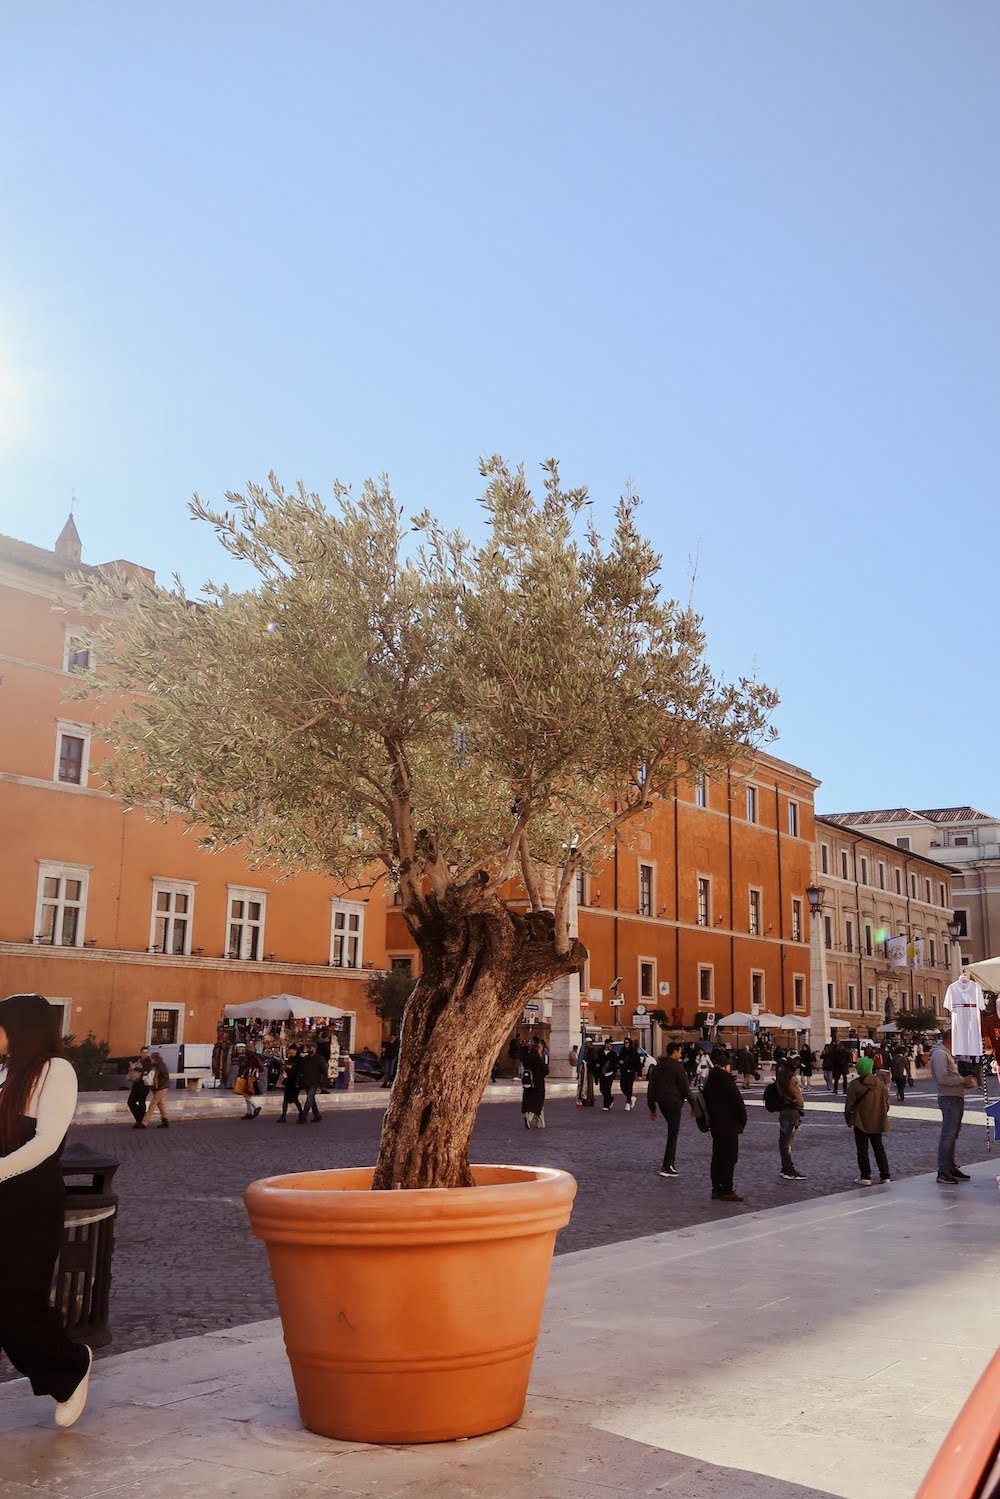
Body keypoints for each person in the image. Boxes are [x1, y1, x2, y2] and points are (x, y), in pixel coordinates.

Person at [0, 993, 94, 1427]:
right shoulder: (3, 1072)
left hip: (28, 1201)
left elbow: (46, 1143)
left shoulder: (57, 1071)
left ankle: (70, 1367)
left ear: (21, 1029)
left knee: (18, 1309)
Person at [702, 1047, 747, 1202]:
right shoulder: (727, 1081)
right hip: (729, 1126)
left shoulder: (710, 1081)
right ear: (726, 1066)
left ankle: (716, 1188)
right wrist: (742, 1121)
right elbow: (738, 1103)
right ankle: (726, 1189)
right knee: (729, 1158)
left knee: (717, 1157)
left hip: (716, 1125)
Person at [930, 1028, 975, 1184]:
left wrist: (963, 1083)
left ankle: (950, 1167)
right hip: (948, 1098)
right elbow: (942, 1078)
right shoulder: (940, 1054)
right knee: (948, 1135)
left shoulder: (947, 1054)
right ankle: (943, 1171)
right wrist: (963, 1081)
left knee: (953, 1134)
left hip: (955, 1097)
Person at [646, 1041, 695, 1176]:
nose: (680, 1054)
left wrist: (652, 1108)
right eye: (679, 1051)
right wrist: (694, 1105)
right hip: (673, 1102)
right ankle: (667, 1165)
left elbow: (651, 1087)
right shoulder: (677, 1067)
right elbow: (685, 1088)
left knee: (672, 1131)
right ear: (674, 1052)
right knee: (673, 1134)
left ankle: (668, 1164)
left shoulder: (658, 1066)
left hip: (662, 1103)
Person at [844, 1056, 891, 1186]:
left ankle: (865, 1176)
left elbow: (849, 1105)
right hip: (876, 1120)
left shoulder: (855, 1085)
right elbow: (886, 1104)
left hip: (860, 1121)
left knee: (862, 1149)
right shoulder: (880, 1084)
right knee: (879, 1148)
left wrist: (848, 1119)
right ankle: (885, 1175)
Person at [775, 1054, 806, 1181]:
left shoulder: (782, 1073)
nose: (797, 1063)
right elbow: (794, 1093)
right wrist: (798, 1104)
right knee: (786, 1141)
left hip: (787, 1109)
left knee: (785, 1140)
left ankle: (785, 1167)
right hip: (791, 1110)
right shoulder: (789, 1076)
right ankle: (788, 1169)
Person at [520, 1038, 548, 1129]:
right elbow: (545, 1071)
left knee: (530, 1101)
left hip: (528, 1083)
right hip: (538, 1084)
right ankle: (529, 1117)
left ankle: (541, 1123)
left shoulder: (527, 1057)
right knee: (537, 1102)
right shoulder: (537, 1058)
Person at [276, 1044, 304, 1122]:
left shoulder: (300, 1060)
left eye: (291, 1052)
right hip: (288, 1081)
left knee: (295, 1099)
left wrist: (291, 1067)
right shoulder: (291, 1059)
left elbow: (299, 1070)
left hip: (295, 1082)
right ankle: (283, 1116)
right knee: (285, 1100)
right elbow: (286, 1066)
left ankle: (301, 1114)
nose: (290, 1054)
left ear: (295, 1050)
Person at [125, 1045, 151, 1128]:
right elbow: (133, 1068)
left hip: (144, 1085)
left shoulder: (149, 1061)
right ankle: (140, 1118)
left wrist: (135, 1068)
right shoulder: (139, 1061)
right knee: (131, 1102)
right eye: (143, 1052)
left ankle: (140, 1121)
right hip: (136, 1084)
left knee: (141, 1103)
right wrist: (131, 1068)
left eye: (146, 1052)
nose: (145, 1054)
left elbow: (146, 1069)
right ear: (140, 1053)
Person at [144, 1051, 171, 1128]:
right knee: (160, 1104)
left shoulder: (160, 1066)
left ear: (154, 1058)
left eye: (151, 1058)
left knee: (153, 1104)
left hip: (161, 1088)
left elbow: (164, 1077)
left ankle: (144, 1122)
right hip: (157, 1087)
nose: (151, 1060)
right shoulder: (156, 1065)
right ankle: (165, 1120)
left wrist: (158, 1084)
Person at [299, 1043, 324, 1122]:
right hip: (306, 1082)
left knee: (309, 1099)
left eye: (310, 1048)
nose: (309, 1049)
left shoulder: (319, 1058)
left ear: (314, 1048)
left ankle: (303, 1117)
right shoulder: (306, 1058)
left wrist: (323, 1084)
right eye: (308, 1048)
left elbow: (324, 1071)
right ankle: (317, 1116)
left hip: (314, 1082)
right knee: (311, 1100)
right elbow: (302, 1069)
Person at [236, 1044, 263, 1119]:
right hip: (251, 1078)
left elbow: (243, 1067)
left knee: (246, 1095)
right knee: (247, 1096)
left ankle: (256, 1107)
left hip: (248, 1078)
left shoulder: (250, 1058)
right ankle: (249, 1113)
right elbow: (261, 1068)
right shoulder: (255, 1058)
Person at [618, 1038, 642, 1111]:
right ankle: (631, 1097)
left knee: (629, 1086)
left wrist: (639, 1074)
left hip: (631, 1071)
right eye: (625, 1042)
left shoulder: (634, 1051)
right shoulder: (622, 1050)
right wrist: (620, 1063)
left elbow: (637, 1063)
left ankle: (628, 1103)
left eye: (627, 1042)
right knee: (622, 1087)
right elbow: (619, 1058)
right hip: (624, 1071)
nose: (626, 1044)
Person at [597, 1039, 618, 1110]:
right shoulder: (600, 1052)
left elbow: (615, 1064)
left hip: (610, 1073)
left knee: (607, 1089)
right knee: (602, 1089)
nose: (611, 1046)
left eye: (612, 1045)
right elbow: (597, 1061)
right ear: (606, 1044)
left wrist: (613, 1072)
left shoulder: (613, 1054)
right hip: (602, 1073)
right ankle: (610, 1099)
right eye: (610, 1044)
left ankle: (606, 1105)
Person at [576, 1037, 595, 1107]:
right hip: (584, 1069)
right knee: (584, 1084)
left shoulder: (591, 1050)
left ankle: (588, 1100)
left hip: (589, 1069)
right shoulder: (585, 1049)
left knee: (588, 1085)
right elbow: (580, 1060)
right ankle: (585, 1099)